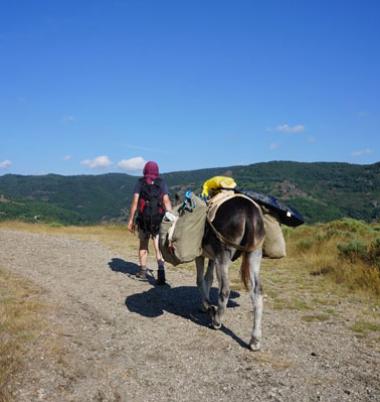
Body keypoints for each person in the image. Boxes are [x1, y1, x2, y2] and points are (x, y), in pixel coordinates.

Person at [127, 161, 172, 285]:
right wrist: (171, 217)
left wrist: (130, 220)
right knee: (158, 247)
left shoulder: (140, 182)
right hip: (158, 219)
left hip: (143, 220)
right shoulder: (161, 182)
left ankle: (143, 271)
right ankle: (161, 272)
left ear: (145, 170)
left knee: (143, 245)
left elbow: (135, 203)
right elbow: (166, 201)